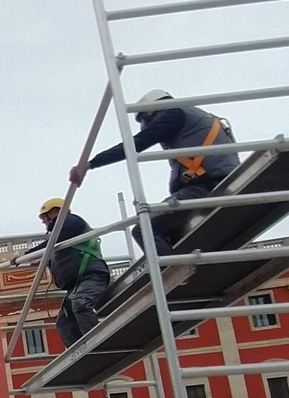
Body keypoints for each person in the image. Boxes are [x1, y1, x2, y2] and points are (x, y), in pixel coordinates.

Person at [69, 89, 238, 256]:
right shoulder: (194, 118)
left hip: (206, 186)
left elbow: (137, 142)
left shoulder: (174, 113)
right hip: (213, 180)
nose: (145, 126)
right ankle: (177, 263)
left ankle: (174, 270)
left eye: (145, 120)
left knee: (144, 229)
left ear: (151, 111)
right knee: (167, 232)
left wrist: (91, 163)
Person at [26, 198, 111, 346]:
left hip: (92, 276)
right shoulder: (62, 238)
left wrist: (29, 253)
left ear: (57, 211)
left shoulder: (71, 222)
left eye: (45, 216)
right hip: (77, 284)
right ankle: (78, 354)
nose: (44, 221)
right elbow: (55, 248)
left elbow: (53, 242)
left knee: (81, 304)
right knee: (64, 323)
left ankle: (98, 344)